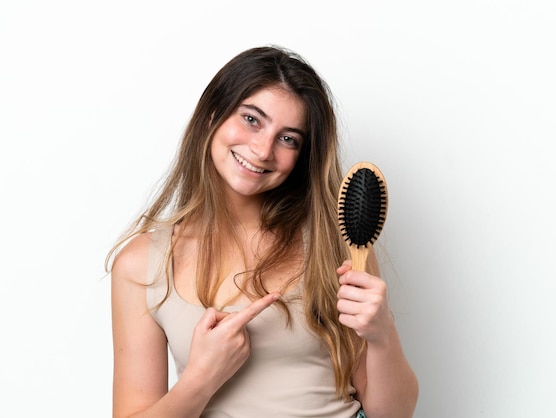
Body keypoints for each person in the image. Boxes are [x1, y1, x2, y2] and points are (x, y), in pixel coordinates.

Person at [106, 45, 418, 418]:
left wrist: (382, 333)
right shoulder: (140, 264)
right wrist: (202, 378)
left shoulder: (334, 243)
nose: (262, 149)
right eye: (252, 119)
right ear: (211, 116)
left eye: (288, 138)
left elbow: (394, 414)